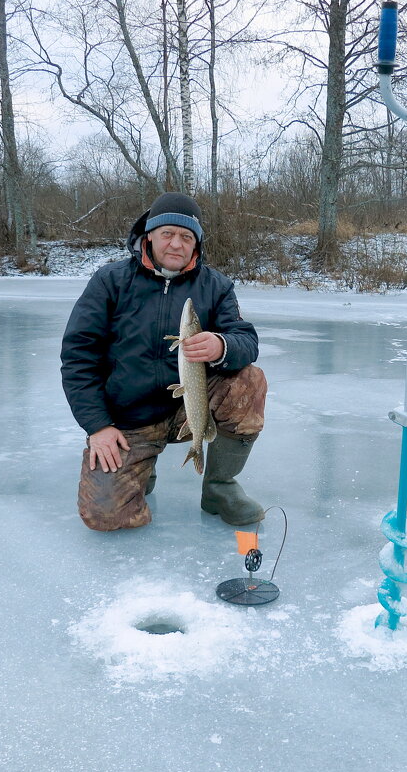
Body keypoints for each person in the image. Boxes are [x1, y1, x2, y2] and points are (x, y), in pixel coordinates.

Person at [60, 192, 266, 532]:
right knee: (106, 515)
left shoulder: (215, 286)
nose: (176, 244)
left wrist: (221, 344)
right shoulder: (110, 282)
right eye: (168, 233)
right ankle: (142, 465)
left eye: (187, 237)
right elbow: (78, 356)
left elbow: (246, 340)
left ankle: (219, 488)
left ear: (196, 244)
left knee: (249, 380)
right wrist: (97, 426)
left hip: (190, 407)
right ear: (149, 235)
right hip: (129, 418)